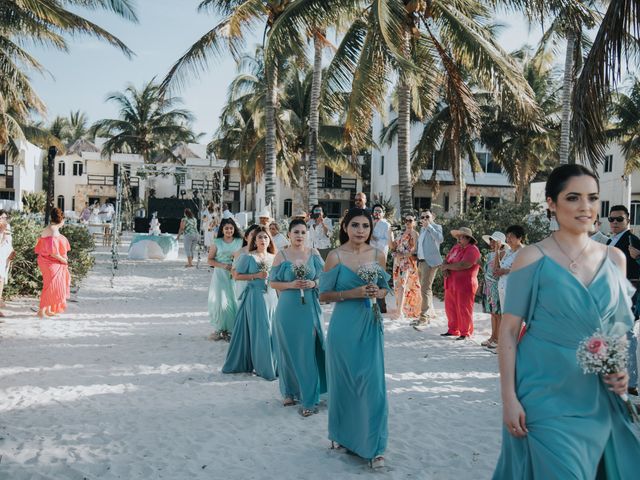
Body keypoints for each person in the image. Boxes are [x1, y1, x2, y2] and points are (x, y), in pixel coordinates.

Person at [493, 164, 640, 479]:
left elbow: (618, 328)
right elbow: (507, 330)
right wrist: (508, 397)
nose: (584, 206)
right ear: (551, 202)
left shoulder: (615, 259)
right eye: (573, 197)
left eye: (591, 197)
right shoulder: (531, 257)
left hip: (597, 391)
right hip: (542, 386)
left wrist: (621, 369)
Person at [319, 208, 390, 469]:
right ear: (345, 227)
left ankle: (375, 447)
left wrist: (377, 291)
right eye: (355, 225)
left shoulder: (378, 255)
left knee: (372, 385)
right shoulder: (335, 257)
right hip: (343, 326)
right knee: (345, 382)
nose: (361, 230)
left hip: (369, 323)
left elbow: (384, 290)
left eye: (366, 226)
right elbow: (323, 296)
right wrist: (353, 292)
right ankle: (342, 435)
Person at [270, 219, 326, 416]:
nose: (300, 235)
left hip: (309, 307)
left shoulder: (314, 254)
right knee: (286, 351)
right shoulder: (281, 255)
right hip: (287, 309)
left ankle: (309, 399)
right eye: (296, 232)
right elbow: (272, 282)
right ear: (289, 234)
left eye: (303, 232)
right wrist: (291, 285)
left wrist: (313, 283)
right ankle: (289, 392)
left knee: (307, 351)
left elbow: (325, 278)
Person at [222, 226, 278, 381]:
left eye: (266, 237)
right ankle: (264, 367)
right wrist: (256, 275)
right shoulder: (248, 257)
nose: (262, 240)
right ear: (254, 240)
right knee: (262, 331)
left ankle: (274, 364)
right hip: (255, 296)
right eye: (259, 237)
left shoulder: (275, 257)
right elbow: (237, 276)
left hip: (272, 298)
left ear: (269, 240)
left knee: (272, 330)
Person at [607, 204, 640, 396]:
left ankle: (631, 382)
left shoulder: (632, 240)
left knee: (627, 336)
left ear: (627, 220)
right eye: (612, 219)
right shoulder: (613, 241)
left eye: (619, 219)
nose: (614, 222)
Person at [440, 227, 481, 340]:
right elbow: (446, 259)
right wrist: (444, 268)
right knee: (451, 308)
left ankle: (465, 332)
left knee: (464, 308)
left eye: (461, 237)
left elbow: (465, 264)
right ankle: (453, 329)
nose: (458, 239)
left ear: (468, 239)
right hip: (451, 283)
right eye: (458, 237)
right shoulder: (456, 248)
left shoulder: (473, 250)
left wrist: (447, 266)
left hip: (465, 285)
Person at [207, 218, 243, 341]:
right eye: (226, 228)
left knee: (234, 301)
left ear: (234, 229)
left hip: (236, 275)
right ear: (222, 229)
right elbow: (210, 260)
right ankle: (222, 329)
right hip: (220, 274)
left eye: (231, 228)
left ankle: (233, 330)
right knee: (222, 302)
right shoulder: (217, 242)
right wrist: (224, 266)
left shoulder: (240, 241)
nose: (229, 230)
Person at [34, 208, 71, 318]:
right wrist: (63, 260)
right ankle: (41, 311)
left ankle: (49, 309)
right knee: (50, 285)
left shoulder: (52, 228)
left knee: (53, 285)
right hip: (49, 261)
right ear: (61, 220)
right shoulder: (53, 230)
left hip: (51, 261)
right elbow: (53, 252)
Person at [413, 209, 443, 328]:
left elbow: (440, 239)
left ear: (433, 217)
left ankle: (424, 317)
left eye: (427, 217)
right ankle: (427, 314)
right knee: (425, 289)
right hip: (421, 261)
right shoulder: (422, 229)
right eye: (423, 217)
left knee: (425, 289)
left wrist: (430, 226)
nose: (425, 219)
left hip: (430, 262)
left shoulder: (436, 227)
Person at [480, 231, 507, 349]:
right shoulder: (491, 254)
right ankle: (493, 336)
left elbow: (497, 269)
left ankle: (498, 338)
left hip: (496, 286)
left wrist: (497, 250)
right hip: (488, 285)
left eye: (494, 241)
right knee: (492, 313)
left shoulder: (502, 253)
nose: (491, 242)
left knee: (497, 314)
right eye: (491, 240)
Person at [392, 214, 421, 320]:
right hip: (398, 262)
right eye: (406, 220)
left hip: (407, 262)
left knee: (403, 285)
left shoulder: (414, 233)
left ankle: (399, 312)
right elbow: (393, 246)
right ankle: (401, 309)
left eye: (410, 220)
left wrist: (403, 255)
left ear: (414, 222)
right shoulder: (400, 233)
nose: (408, 222)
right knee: (397, 285)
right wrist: (389, 232)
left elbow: (415, 250)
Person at [494, 225, 526, 312]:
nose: (508, 239)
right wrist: (497, 250)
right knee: (505, 316)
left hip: (516, 290)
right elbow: (496, 269)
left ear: (519, 238)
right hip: (503, 288)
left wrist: (505, 271)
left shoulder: (524, 251)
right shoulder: (508, 252)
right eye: (507, 237)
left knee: (515, 318)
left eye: (511, 237)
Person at [370, 204, 393, 314]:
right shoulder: (370, 223)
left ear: (383, 213)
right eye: (375, 211)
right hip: (369, 255)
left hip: (380, 255)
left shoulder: (386, 224)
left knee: (380, 280)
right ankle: (371, 305)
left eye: (379, 211)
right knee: (370, 279)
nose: (377, 213)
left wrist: (375, 239)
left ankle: (382, 306)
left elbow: (387, 241)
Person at [0, 211, 15, 315]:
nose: (3, 219)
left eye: (5, 217)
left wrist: (12, 251)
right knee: (0, 278)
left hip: (5, 256)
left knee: (2, 278)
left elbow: (9, 241)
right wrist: (2, 232)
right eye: (1, 217)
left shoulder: (7, 226)